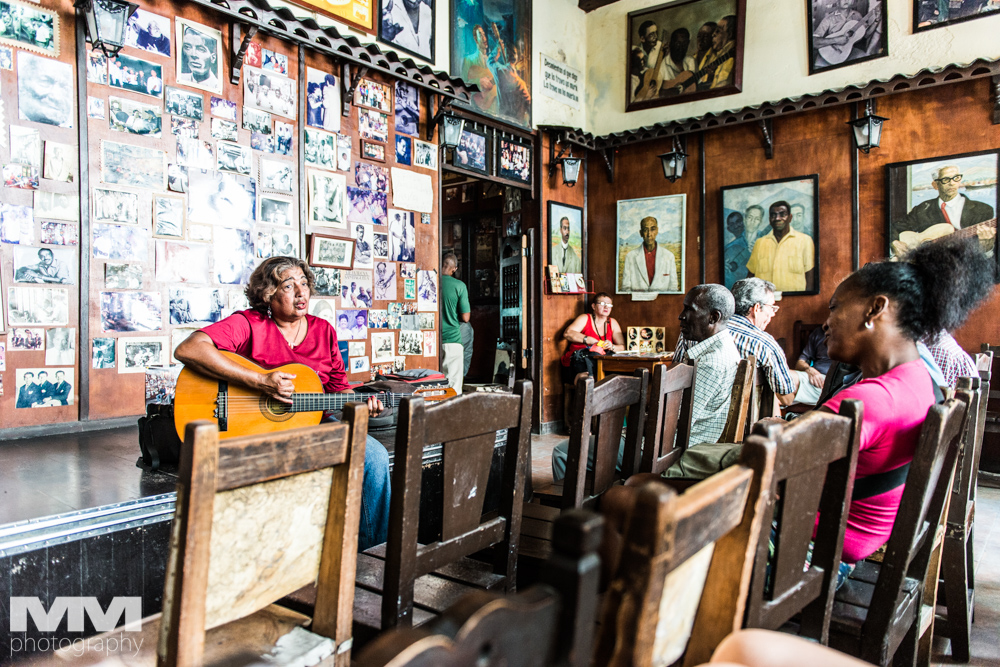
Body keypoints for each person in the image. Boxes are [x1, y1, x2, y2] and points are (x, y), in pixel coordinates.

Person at [175, 256, 391, 550]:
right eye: (289, 286)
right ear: (268, 293)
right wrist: (259, 380)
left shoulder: (323, 330)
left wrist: (363, 404)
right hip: (254, 432)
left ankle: (371, 557)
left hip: (312, 426)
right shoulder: (249, 324)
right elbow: (189, 349)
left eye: (304, 284)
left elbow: (338, 391)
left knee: (374, 457)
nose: (301, 293)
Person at [817, 236, 994, 567]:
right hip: (861, 539)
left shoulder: (866, 400)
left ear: (875, 308)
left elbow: (773, 467)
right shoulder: (922, 381)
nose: (826, 322)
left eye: (835, 307)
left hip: (815, 556)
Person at [669, 284, 743, 446]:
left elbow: (675, 422)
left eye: (689, 309)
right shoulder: (724, 348)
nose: (681, 316)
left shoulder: (712, 362)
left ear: (713, 317)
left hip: (674, 448)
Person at [892, 165, 996, 255]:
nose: (952, 183)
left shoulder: (983, 210)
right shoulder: (923, 209)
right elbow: (894, 227)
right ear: (935, 185)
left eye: (956, 178)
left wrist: (987, 245)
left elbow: (984, 254)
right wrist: (894, 242)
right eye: (946, 179)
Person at [729, 278, 799, 406]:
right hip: (744, 417)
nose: (773, 314)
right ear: (756, 308)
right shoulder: (764, 343)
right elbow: (787, 398)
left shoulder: (701, 332)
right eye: (772, 307)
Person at [746, 200, 816, 293]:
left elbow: (810, 276)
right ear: (769, 219)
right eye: (773, 215)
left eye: (782, 214)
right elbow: (751, 277)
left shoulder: (805, 241)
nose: (777, 218)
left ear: (790, 218)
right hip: (765, 301)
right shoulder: (759, 243)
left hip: (795, 300)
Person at [560, 292, 625, 384]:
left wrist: (612, 346)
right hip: (579, 361)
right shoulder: (585, 318)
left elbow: (622, 347)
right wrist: (588, 339)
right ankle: (586, 388)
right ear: (593, 306)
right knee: (586, 376)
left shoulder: (612, 322)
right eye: (602, 304)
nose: (606, 307)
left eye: (609, 305)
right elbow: (568, 333)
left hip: (600, 362)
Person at [620, 216, 678, 293]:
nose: (649, 234)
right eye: (645, 230)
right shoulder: (630, 257)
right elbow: (625, 289)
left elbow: (673, 288)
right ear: (641, 233)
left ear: (657, 231)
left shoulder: (669, 256)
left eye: (652, 229)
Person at [440, 253, 470, 393]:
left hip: (431, 342)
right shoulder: (460, 286)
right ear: (454, 269)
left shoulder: (431, 281)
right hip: (452, 340)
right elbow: (465, 317)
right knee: (453, 388)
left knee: (432, 386)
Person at [794, 325, 833, 405]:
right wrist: (809, 369)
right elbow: (800, 362)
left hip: (829, 383)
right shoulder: (819, 332)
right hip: (813, 378)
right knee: (781, 378)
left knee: (786, 381)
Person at [696, 15, 736, 89]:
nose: (713, 34)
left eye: (718, 31)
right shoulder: (716, 56)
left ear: (729, 34)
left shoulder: (731, 59)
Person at [177, 25, 219, 91]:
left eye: (201, 49)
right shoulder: (181, 77)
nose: (193, 54)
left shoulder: (216, 85)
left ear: (213, 58)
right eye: (187, 47)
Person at [723, 211, 750, 287]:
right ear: (729, 229)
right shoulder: (730, 246)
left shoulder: (752, 237)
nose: (736, 226)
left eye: (738, 221)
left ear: (744, 222)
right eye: (732, 224)